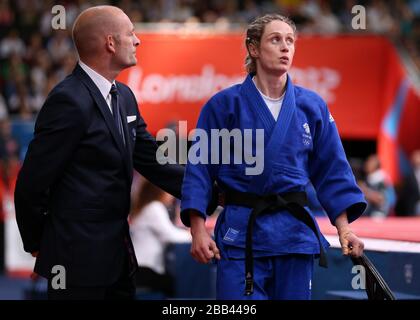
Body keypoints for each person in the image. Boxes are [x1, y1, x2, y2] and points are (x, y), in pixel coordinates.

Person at [180, 13, 367, 300]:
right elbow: (200, 169)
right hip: (242, 234)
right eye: (275, 39)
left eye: (290, 41)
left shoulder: (312, 106)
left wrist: (343, 229)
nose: (285, 47)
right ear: (253, 48)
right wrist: (197, 230)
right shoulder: (224, 105)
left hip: (294, 235)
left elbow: (333, 170)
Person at [13, 6, 186, 300]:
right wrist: (39, 243)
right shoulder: (68, 100)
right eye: (131, 33)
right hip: (74, 262)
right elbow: (32, 183)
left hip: (119, 259)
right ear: (110, 42)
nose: (138, 40)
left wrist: (208, 189)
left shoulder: (126, 97)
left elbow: (153, 158)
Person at [130, 179, 191, 298]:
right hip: (145, 269)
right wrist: (196, 236)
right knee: (179, 283)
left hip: (139, 268)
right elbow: (170, 235)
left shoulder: (145, 208)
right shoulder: (154, 207)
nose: (171, 197)